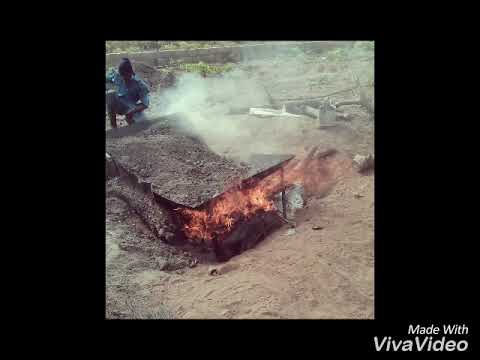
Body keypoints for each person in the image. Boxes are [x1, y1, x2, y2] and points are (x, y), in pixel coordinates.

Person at [106, 58, 150, 128]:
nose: (123, 78)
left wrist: (133, 110)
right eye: (121, 75)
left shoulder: (140, 85)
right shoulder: (116, 75)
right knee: (110, 94)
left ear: (130, 73)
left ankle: (131, 119)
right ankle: (114, 127)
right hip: (117, 104)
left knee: (142, 126)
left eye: (125, 76)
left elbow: (145, 104)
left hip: (131, 107)